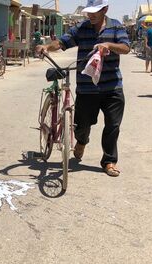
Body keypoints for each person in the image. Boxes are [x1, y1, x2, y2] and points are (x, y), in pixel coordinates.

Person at [35, 0, 130, 177]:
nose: (91, 15)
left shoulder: (116, 27)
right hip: (87, 88)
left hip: (112, 87)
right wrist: (47, 47)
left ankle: (109, 161)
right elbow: (62, 43)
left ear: (105, 10)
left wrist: (109, 45)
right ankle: (81, 141)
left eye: (96, 11)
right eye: (89, 11)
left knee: (113, 125)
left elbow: (125, 48)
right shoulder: (81, 27)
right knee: (82, 125)